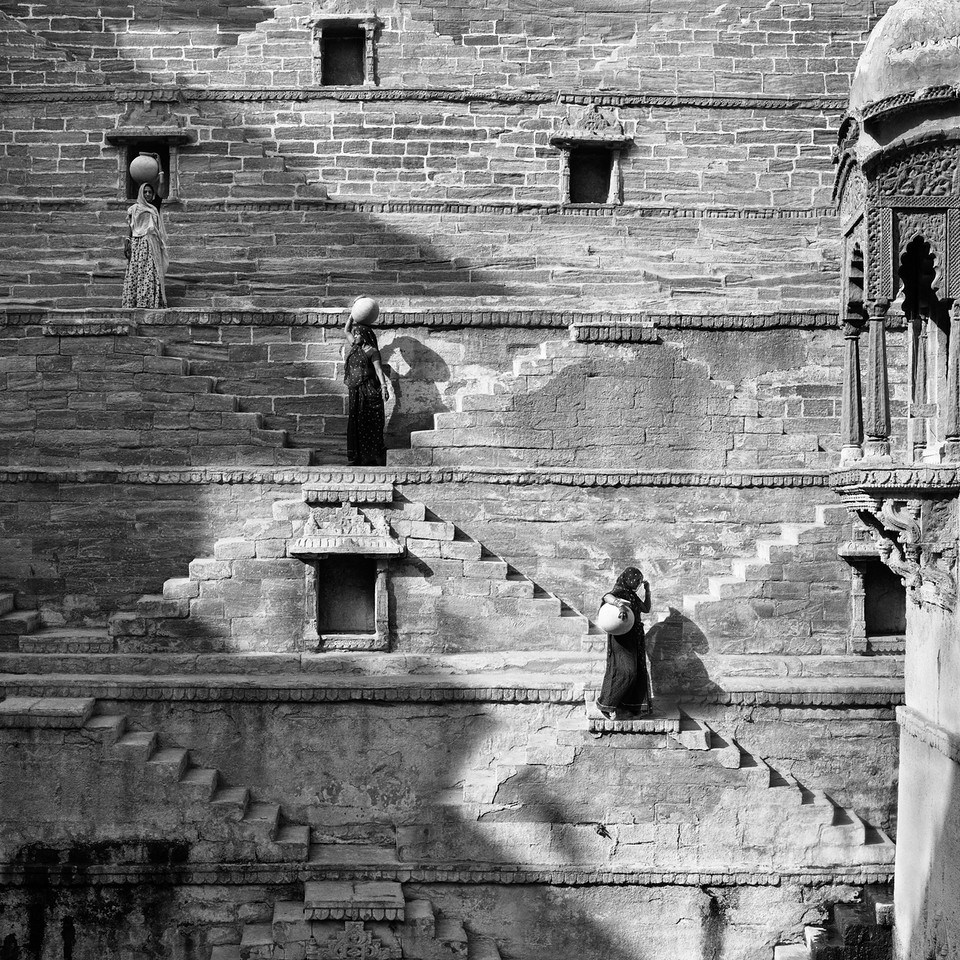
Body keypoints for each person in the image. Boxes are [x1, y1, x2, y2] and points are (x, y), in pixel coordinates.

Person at [596, 567, 652, 719]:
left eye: (639, 582)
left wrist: (647, 591)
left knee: (638, 671)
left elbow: (646, 608)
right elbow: (606, 596)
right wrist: (619, 605)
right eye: (636, 581)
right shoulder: (620, 591)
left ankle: (631, 707)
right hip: (622, 638)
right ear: (627, 579)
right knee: (626, 671)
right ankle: (607, 705)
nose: (637, 584)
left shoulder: (632, 595)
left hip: (635, 637)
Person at [343, 297, 391, 466]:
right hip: (356, 392)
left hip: (369, 391)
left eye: (357, 333)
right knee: (356, 423)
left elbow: (379, 371)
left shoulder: (372, 352)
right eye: (355, 334)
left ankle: (371, 457)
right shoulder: (354, 346)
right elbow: (346, 330)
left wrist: (384, 387)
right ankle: (356, 457)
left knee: (370, 424)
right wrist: (354, 311)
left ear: (364, 335)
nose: (354, 335)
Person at [121, 182, 168, 308]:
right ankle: (134, 302)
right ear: (141, 193)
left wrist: (159, 167)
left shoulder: (154, 207)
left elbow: (162, 188)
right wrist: (127, 240)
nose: (147, 194)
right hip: (136, 244)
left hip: (150, 243)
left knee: (150, 272)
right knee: (135, 272)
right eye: (145, 192)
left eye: (150, 192)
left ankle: (149, 302)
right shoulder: (134, 209)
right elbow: (131, 226)